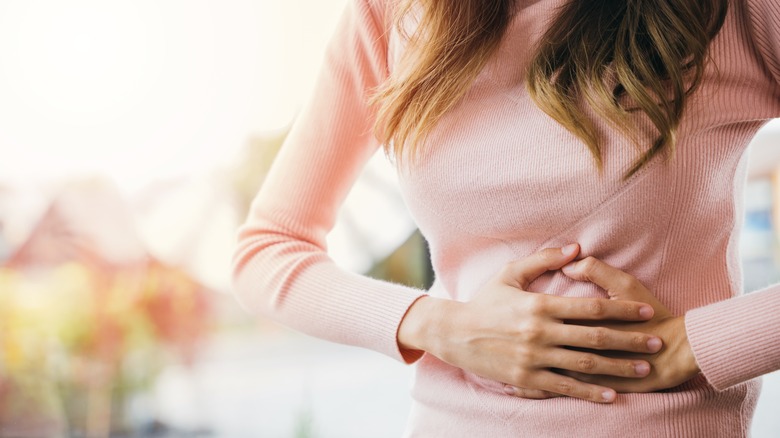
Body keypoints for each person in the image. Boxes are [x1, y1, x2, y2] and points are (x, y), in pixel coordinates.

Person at [231, 0, 780, 435]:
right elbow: (268, 249)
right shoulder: (391, 12)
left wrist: (697, 345)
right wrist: (442, 326)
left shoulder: (733, 12)